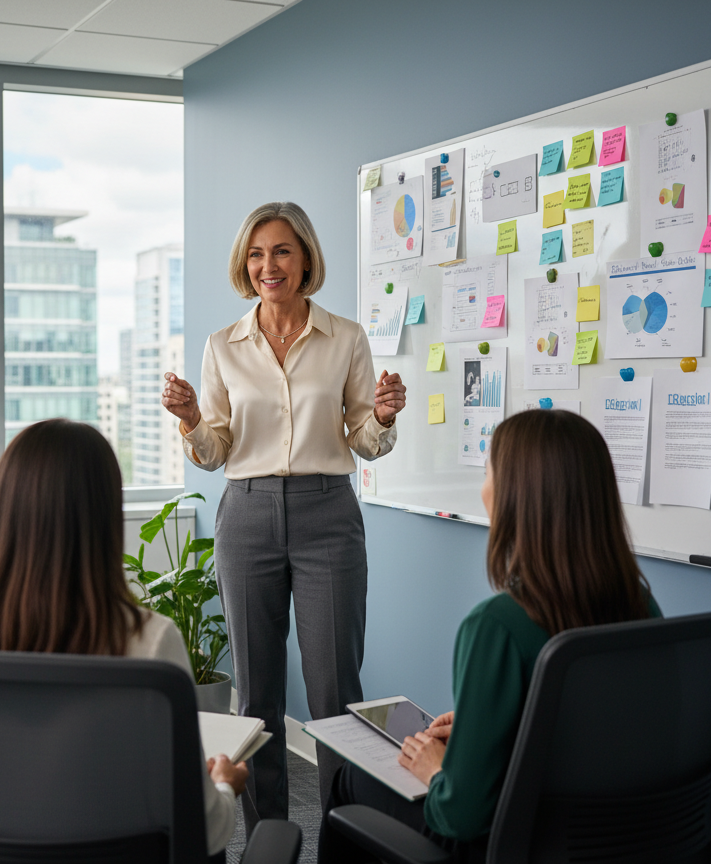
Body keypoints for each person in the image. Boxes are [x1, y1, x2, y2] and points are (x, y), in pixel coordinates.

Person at [317, 409, 662, 862]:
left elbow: (460, 816)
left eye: (487, 473)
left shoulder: (497, 626)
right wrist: (489, 724)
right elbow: (592, 728)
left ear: (516, 497)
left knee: (351, 780)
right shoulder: (641, 603)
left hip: (514, 844)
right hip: (624, 838)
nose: (483, 489)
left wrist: (435, 770)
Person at [161, 201, 407, 825]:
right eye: (255, 254)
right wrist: (190, 419)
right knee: (256, 697)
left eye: (281, 251)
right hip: (247, 518)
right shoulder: (223, 346)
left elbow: (364, 440)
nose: (267, 265)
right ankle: (266, 837)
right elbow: (214, 452)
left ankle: (344, 834)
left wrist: (381, 416)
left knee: (335, 693)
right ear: (245, 265)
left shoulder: (345, 337)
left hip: (329, 516)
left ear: (304, 260)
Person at [0, 418, 248, 858]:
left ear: (4, 510)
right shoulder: (148, 639)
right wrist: (224, 785)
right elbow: (204, 832)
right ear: (104, 514)